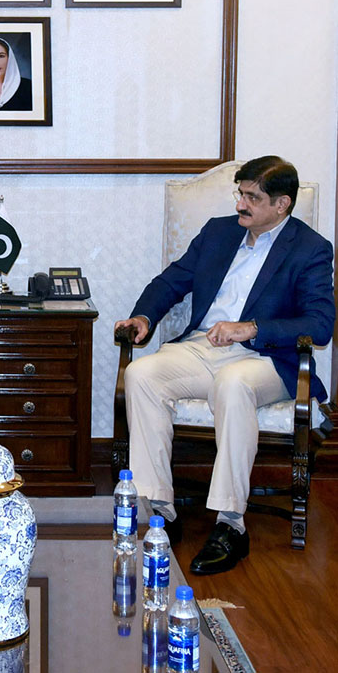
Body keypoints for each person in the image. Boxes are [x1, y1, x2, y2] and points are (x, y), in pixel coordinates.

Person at [114, 156, 334, 575]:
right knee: (141, 374)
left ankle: (230, 526)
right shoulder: (218, 233)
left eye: (252, 197)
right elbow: (172, 281)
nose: (241, 204)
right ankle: (159, 510)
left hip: (266, 358)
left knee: (233, 384)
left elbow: (320, 324)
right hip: (202, 347)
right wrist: (143, 317)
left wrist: (251, 328)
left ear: (282, 204)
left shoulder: (310, 250)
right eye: (240, 193)